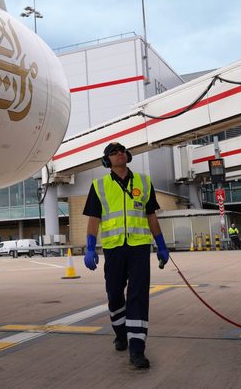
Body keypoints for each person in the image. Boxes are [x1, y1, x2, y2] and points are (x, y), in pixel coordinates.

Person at [82, 141, 169, 369]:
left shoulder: (143, 181)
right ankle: (120, 332)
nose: (119, 153)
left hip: (139, 247)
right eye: (113, 152)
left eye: (121, 150)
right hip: (114, 248)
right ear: (107, 160)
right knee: (114, 295)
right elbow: (93, 219)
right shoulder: (99, 185)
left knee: (138, 296)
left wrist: (161, 244)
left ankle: (137, 348)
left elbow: (151, 216)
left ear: (127, 155)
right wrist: (90, 247)